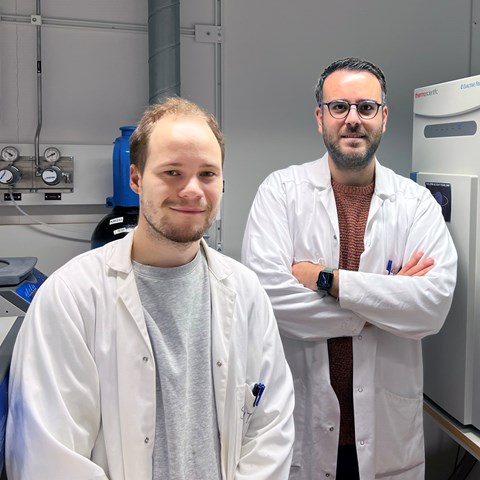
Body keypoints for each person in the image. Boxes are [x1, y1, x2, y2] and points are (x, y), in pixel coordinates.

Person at [6, 97, 295, 480]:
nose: (192, 190)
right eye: (172, 172)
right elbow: (49, 456)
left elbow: (270, 426)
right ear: (136, 179)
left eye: (207, 174)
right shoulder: (71, 297)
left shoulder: (244, 291)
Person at [241, 57, 457, 480]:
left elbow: (432, 306)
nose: (352, 119)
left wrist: (329, 280)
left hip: (386, 437)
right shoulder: (280, 193)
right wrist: (386, 305)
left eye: (366, 107)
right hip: (301, 426)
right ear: (319, 117)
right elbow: (269, 300)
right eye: (339, 107)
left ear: (384, 117)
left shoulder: (417, 205)